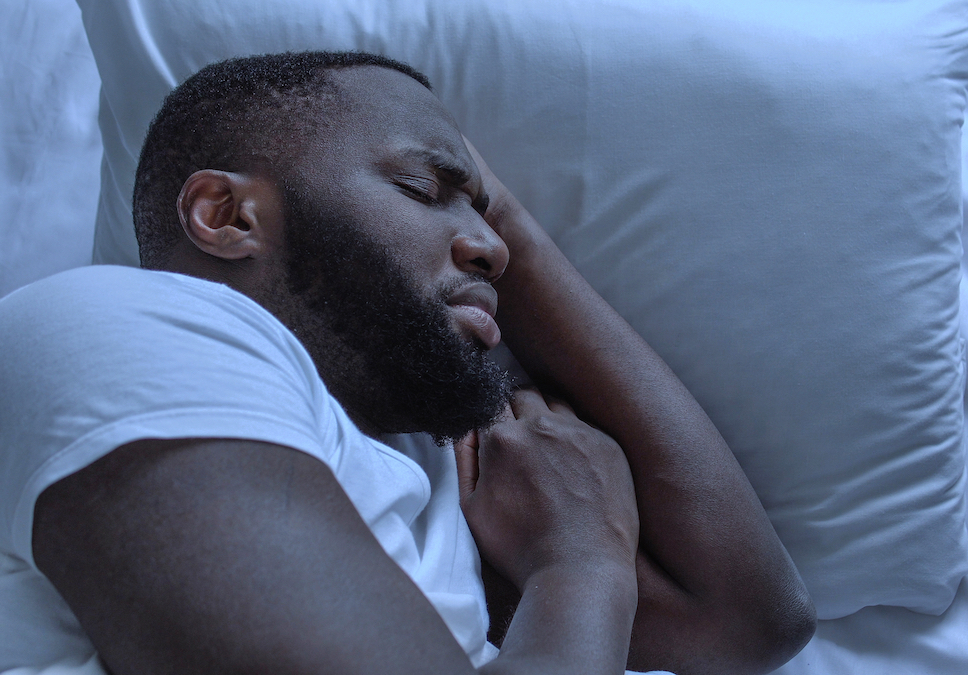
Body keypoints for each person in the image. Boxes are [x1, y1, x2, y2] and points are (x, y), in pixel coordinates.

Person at [0, 51, 814, 675]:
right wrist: (579, 567)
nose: (491, 246)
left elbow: (747, 617)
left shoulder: (420, 452)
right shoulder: (124, 327)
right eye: (424, 188)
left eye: (486, 214)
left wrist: (512, 229)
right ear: (225, 214)